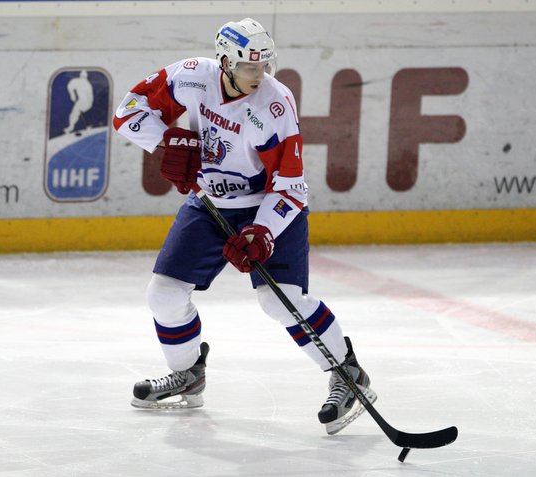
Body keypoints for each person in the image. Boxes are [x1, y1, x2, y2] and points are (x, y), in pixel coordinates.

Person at [113, 18, 376, 435]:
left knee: (279, 301)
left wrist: (263, 229)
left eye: (264, 65)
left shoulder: (274, 105)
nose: (259, 75)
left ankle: (348, 375)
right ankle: (188, 374)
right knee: (163, 295)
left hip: (269, 205)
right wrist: (168, 142)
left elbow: (290, 184)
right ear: (223, 62)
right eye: (249, 67)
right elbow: (127, 112)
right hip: (210, 202)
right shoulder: (191, 77)